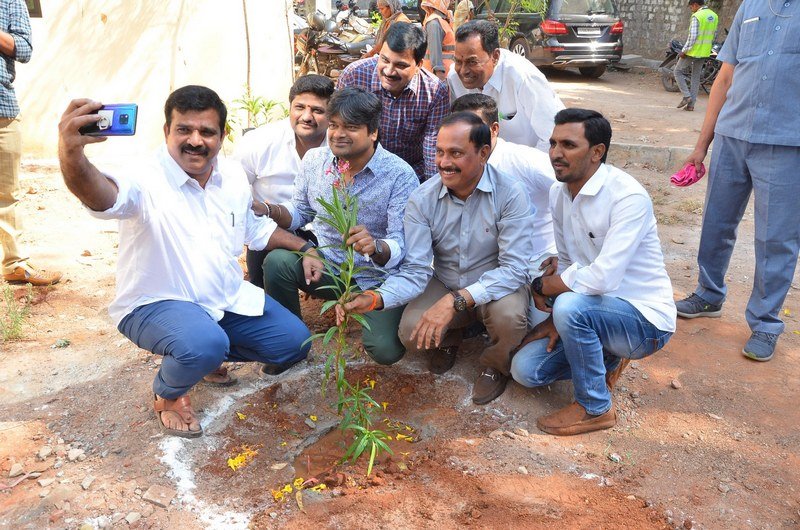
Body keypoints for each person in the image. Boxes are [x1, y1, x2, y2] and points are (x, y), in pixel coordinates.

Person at [57, 86, 313, 438]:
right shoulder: (144, 176)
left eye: (206, 131)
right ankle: (168, 393)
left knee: (295, 343)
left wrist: (306, 247)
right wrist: (72, 153)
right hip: (155, 304)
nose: (195, 140)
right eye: (184, 130)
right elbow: (102, 197)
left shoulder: (233, 176)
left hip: (223, 298)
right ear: (167, 132)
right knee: (204, 344)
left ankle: (202, 356)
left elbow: (255, 228)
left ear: (222, 136)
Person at [340, 112, 534, 405]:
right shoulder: (423, 198)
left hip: (496, 285)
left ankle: (495, 366)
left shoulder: (510, 194)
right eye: (439, 152)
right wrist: (375, 299)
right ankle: (453, 336)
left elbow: (515, 270)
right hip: (445, 280)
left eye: (456, 153)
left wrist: (454, 301)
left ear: (483, 153)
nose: (443, 162)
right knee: (410, 333)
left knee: (509, 318)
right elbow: (416, 269)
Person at [511, 109, 676, 436]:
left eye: (568, 145)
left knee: (570, 307)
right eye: (553, 143)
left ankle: (595, 408)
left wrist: (548, 289)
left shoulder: (627, 196)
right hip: (595, 309)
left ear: (597, 152)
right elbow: (569, 261)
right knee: (525, 370)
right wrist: (556, 315)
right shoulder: (559, 193)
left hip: (643, 320)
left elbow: (603, 278)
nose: (556, 153)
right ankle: (607, 356)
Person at [675, 0, 800, 362]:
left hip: (786, 141)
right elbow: (725, 78)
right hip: (732, 134)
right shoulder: (752, 6)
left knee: (775, 236)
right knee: (716, 221)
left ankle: (765, 323)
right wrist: (702, 144)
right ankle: (708, 293)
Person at [262, 87, 418, 366]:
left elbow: (401, 242)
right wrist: (268, 209)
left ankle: (381, 313)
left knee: (385, 350)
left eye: (351, 127)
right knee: (278, 262)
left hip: (376, 279)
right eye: (333, 125)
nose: (338, 134)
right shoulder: (315, 161)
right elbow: (300, 213)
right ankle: (290, 344)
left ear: (373, 132)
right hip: (330, 267)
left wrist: (376, 246)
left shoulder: (400, 175)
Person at [450, 93, 557, 327]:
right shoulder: (452, 165)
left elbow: (573, 197)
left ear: (495, 129)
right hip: (485, 260)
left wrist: (565, 253)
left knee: (534, 329)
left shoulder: (526, 162)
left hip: (536, 262)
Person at [233, 74, 333, 288]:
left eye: (317, 110)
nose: (307, 116)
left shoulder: (339, 147)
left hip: (325, 234)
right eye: (300, 107)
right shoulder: (259, 142)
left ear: (331, 115)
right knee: (265, 272)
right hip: (273, 229)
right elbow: (233, 192)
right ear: (289, 107)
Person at [338, 22, 449, 182]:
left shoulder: (435, 92)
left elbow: (433, 151)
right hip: (358, 173)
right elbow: (339, 134)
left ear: (418, 65)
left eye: (400, 65)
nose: (389, 71)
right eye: (384, 60)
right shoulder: (354, 76)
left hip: (411, 176)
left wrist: (431, 196)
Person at [1, 0, 61, 286]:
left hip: (3, 111)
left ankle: (14, 264)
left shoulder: (11, 1)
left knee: (6, 194)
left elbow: (24, 49)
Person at [448, 20, 564, 153]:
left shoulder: (523, 78)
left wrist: (523, 169)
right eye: (458, 61)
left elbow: (554, 137)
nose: (463, 70)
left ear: (495, 56)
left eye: (472, 62)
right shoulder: (454, 79)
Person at [674, 0, 719, 112]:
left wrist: (684, 51)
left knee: (677, 71)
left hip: (692, 51)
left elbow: (692, 37)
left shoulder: (697, 16)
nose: (691, 10)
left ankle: (686, 96)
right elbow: (714, 35)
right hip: (704, 52)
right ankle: (691, 105)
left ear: (695, 5)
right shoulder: (714, 15)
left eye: (691, 7)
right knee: (696, 77)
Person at [420, 0, 456, 81]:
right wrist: (440, 79)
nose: (453, 2)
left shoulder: (440, 20)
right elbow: (435, 53)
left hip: (445, 74)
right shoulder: (434, 23)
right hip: (439, 76)